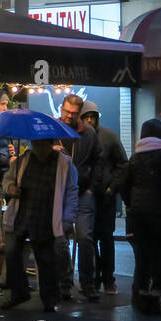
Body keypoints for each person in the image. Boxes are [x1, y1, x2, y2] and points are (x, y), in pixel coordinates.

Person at [1, 137, 79, 312]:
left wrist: (67, 219)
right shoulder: (23, 161)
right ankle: (19, 291)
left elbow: (71, 192)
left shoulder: (63, 164)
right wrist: (11, 189)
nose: (40, 148)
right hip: (22, 214)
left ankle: (50, 298)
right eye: (37, 144)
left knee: (45, 258)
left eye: (44, 144)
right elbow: (7, 181)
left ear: (51, 144)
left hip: (46, 216)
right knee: (12, 254)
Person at [111, 119, 161, 315]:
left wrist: (131, 204)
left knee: (142, 257)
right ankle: (158, 298)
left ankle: (140, 299)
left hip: (138, 216)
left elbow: (122, 185)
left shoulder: (134, 159)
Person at [58, 93, 105, 301]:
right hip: (60, 192)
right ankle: (65, 284)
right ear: (61, 109)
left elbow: (99, 161)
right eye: (67, 112)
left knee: (85, 238)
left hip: (82, 190)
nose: (70, 116)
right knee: (60, 240)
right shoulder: (53, 130)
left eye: (74, 113)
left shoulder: (88, 134)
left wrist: (92, 188)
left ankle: (87, 284)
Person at [80, 101, 128, 295]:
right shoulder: (79, 137)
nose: (90, 120)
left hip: (104, 197)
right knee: (88, 240)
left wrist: (111, 188)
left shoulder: (109, 137)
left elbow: (123, 165)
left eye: (93, 116)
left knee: (106, 239)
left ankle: (108, 278)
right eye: (86, 117)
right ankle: (93, 279)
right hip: (86, 195)